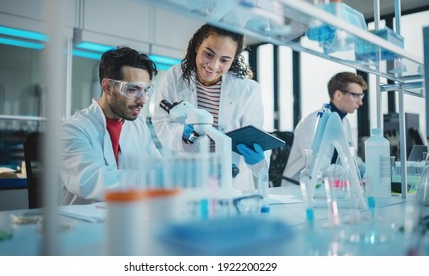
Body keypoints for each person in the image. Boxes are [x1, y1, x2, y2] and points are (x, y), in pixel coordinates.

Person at [152, 24, 269, 191]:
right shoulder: (174, 77)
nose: (213, 66)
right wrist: (183, 135)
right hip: (189, 177)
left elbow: (255, 135)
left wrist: (257, 160)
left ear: (233, 59)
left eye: (224, 60)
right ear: (198, 46)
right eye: (208, 54)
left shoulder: (248, 90)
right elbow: (162, 121)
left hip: (233, 181)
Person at [59, 46, 160, 205]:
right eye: (133, 89)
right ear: (107, 87)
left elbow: (157, 166)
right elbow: (91, 180)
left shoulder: (138, 125)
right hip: (81, 223)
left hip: (127, 218)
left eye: (145, 90)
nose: (143, 100)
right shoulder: (73, 129)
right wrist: (154, 178)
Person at [282, 71, 367, 185]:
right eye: (355, 95)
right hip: (297, 188)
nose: (360, 102)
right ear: (338, 95)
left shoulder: (344, 123)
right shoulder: (313, 122)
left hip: (326, 186)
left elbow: (351, 159)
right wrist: (353, 173)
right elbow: (319, 167)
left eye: (361, 96)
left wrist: (366, 170)